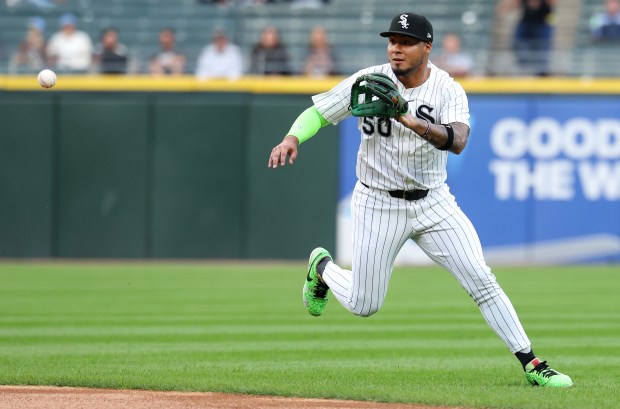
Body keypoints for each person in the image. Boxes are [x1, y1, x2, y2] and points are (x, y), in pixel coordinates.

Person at [267, 12, 573, 388]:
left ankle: (532, 363)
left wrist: (409, 118)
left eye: (406, 41)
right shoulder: (370, 81)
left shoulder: (447, 89)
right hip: (378, 202)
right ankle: (323, 269)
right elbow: (319, 111)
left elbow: (458, 141)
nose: (397, 48)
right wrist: (292, 138)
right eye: (392, 40)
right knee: (365, 305)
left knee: (482, 280)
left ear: (426, 47)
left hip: (434, 202)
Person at [499, 0, 556, 76]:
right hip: (527, 21)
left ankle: (542, 72)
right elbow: (515, 3)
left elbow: (552, 2)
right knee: (517, 42)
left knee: (542, 47)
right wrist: (506, 8)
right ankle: (526, 65)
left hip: (543, 23)